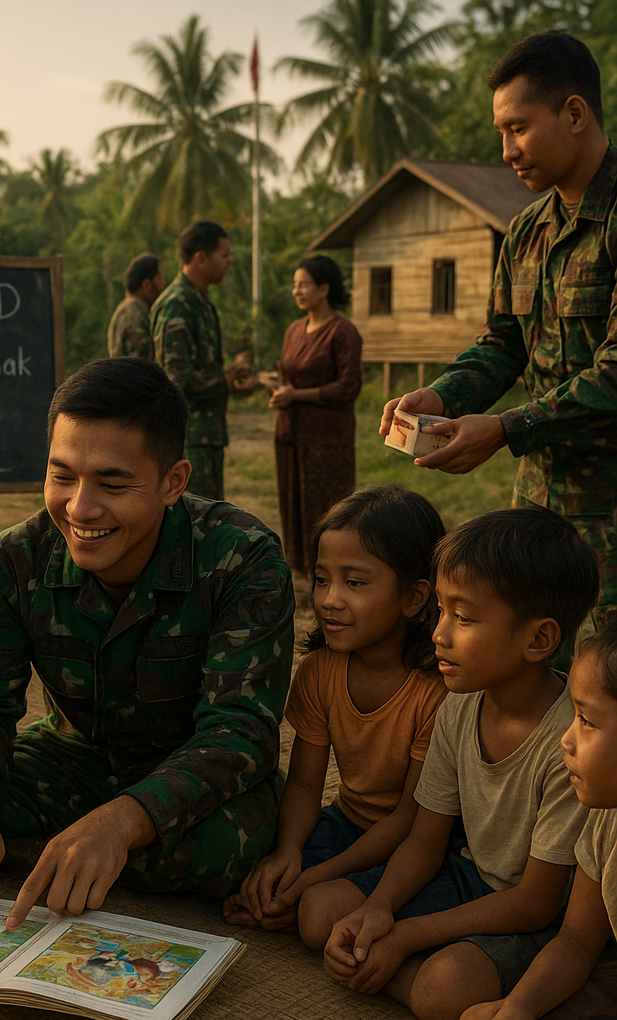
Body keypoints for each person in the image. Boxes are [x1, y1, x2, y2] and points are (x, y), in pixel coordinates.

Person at [0, 356, 295, 932]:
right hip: (72, 761)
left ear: (173, 482)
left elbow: (240, 732)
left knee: (237, 845)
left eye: (113, 483)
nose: (80, 509)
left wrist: (121, 824)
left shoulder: (243, 558)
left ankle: (69, 852)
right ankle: (69, 852)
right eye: (62, 477)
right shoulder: (13, 561)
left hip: (186, 775)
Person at [379, 30, 617, 650]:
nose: (508, 150)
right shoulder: (525, 231)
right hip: (541, 499)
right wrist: (442, 397)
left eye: (518, 128)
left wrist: (506, 429)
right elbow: (502, 344)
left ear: (573, 113)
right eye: (500, 134)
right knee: (537, 668)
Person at [320, 506, 598, 1020]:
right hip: (463, 875)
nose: (439, 634)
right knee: (323, 915)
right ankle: (408, 966)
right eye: (442, 612)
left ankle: (419, 974)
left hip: (528, 913)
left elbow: (535, 903)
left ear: (538, 639)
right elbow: (426, 840)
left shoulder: (570, 743)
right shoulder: (461, 702)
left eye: (464, 618)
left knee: (443, 991)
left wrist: (404, 936)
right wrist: (379, 908)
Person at [224, 485, 447, 936]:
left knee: (317, 913)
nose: (328, 599)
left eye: (355, 582)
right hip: (344, 824)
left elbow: (409, 818)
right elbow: (306, 783)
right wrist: (288, 854)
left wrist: (312, 879)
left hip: (417, 842)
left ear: (414, 597)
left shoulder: (436, 693)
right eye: (322, 579)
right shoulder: (320, 671)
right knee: (247, 873)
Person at [460, 619, 617, 1020]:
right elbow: (578, 941)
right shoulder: (604, 820)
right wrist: (519, 1008)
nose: (566, 738)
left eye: (586, 720)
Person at [272, 255, 363, 576]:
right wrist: (273, 386)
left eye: (302, 284)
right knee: (293, 503)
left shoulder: (343, 332)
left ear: (324, 288)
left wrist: (296, 395)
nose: (296, 291)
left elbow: (348, 387)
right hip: (290, 433)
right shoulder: (294, 329)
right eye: (294, 285)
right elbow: (289, 377)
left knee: (326, 507)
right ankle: (300, 566)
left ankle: (329, 570)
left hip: (326, 439)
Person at [151, 220, 234, 500]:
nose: (230, 262)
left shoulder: (200, 301)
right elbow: (175, 378)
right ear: (201, 257)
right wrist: (226, 381)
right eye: (224, 255)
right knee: (193, 526)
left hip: (206, 436)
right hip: (189, 438)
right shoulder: (178, 303)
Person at [107, 253, 165, 359]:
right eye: (160, 279)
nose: (163, 284)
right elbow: (139, 364)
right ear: (146, 284)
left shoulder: (125, 309)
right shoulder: (136, 315)